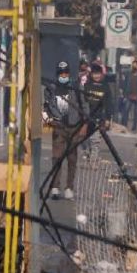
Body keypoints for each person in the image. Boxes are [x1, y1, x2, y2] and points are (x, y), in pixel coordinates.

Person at [45, 61, 83, 200]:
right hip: (59, 126)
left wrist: (83, 125)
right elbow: (47, 105)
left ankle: (69, 188)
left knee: (72, 158)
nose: (63, 75)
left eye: (66, 72)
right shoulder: (51, 88)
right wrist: (49, 118)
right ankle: (55, 187)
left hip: (74, 126)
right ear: (57, 74)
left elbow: (83, 104)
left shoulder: (76, 86)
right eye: (61, 73)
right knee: (57, 158)